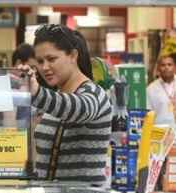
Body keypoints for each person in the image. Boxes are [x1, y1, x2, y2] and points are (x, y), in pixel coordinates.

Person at [16, 24, 112, 182]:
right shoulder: (56, 97)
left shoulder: (95, 94)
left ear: (73, 56)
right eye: (40, 61)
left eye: (52, 59)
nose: (44, 67)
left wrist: (37, 93)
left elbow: (81, 109)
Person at [146, 53, 176, 139]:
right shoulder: (151, 89)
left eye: (169, 64)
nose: (166, 67)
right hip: (162, 135)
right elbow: (149, 116)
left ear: (174, 67)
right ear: (158, 68)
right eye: (163, 65)